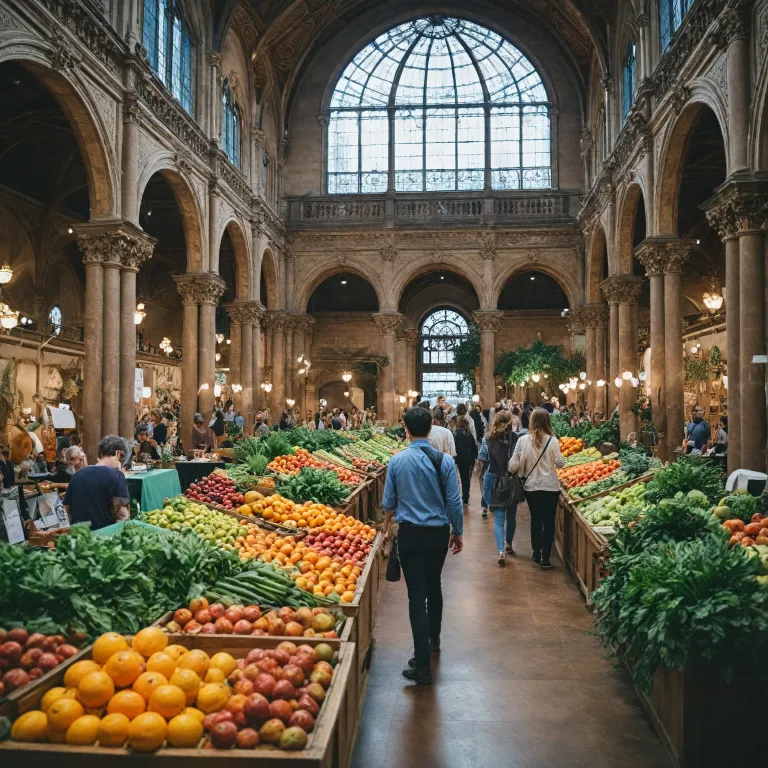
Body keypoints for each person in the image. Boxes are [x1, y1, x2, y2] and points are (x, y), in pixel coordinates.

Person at [381, 407, 463, 685]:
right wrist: (458, 532)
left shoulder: (397, 461)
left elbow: (388, 503)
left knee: (416, 594)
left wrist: (385, 527)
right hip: (438, 534)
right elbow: (454, 501)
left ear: (406, 429)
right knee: (434, 584)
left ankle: (422, 664)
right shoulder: (444, 462)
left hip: (410, 534)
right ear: (430, 429)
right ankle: (433, 641)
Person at [508, 408, 565, 569]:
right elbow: (560, 463)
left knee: (536, 519)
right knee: (548, 521)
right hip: (550, 487)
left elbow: (513, 464)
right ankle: (546, 557)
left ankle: (536, 552)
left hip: (531, 487)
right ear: (548, 422)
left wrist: (511, 472)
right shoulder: (552, 440)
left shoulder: (522, 440)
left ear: (532, 421)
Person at [63, 435, 130, 531]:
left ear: (100, 453)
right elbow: (122, 515)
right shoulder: (117, 475)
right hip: (103, 539)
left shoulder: (77, 476)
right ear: (118, 453)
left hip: (79, 538)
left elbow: (66, 510)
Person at [478, 411, 520, 563]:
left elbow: (482, 459)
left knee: (498, 518)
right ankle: (509, 544)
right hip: (511, 479)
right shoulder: (516, 438)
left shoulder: (487, 439)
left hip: (494, 479)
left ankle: (501, 550)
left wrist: (480, 477)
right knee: (511, 516)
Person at [453, 416, 477, 512]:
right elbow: (474, 446)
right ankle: (465, 498)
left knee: (458, 478)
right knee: (466, 479)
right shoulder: (469, 434)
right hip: (469, 460)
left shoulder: (456, 434)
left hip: (459, 459)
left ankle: (458, 496)